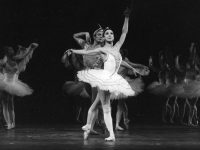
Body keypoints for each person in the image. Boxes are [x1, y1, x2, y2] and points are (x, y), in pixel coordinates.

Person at [66, 8, 140, 141]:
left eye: (111, 33)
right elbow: (86, 53)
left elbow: (124, 32)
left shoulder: (117, 47)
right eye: (107, 34)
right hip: (104, 80)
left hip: (113, 79)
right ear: (104, 37)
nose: (110, 35)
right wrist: (74, 51)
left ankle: (88, 126)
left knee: (96, 104)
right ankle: (110, 134)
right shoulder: (102, 50)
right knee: (105, 107)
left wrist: (127, 18)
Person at [0, 43, 38, 129]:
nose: (12, 50)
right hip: (5, 83)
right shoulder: (4, 60)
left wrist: (30, 48)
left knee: (10, 104)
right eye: (10, 49)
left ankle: (12, 123)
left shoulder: (15, 59)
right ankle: (8, 123)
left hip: (12, 83)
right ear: (6, 52)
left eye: (12, 49)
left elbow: (23, 56)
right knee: (5, 104)